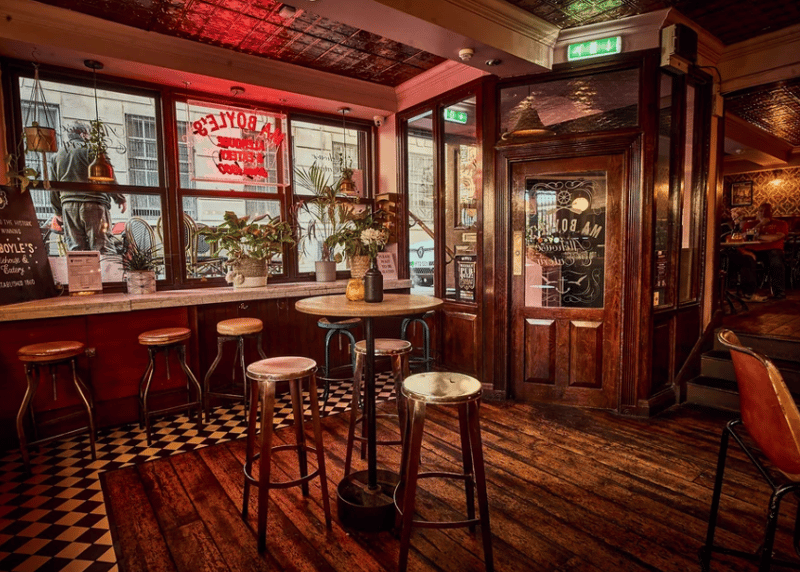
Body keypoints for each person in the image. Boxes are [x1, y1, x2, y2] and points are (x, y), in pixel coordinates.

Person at [49, 122, 126, 254]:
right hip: (93, 204)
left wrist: (57, 210)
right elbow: (109, 176)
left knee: (77, 251)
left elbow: (53, 186)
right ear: (83, 134)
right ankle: (105, 269)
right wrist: (120, 198)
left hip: (68, 206)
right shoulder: (92, 150)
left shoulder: (58, 155)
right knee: (102, 248)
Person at [737, 202, 788, 301]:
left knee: (776, 258)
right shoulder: (750, 224)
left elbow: (776, 237)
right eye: (761, 211)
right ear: (757, 212)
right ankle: (749, 294)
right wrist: (760, 224)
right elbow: (745, 237)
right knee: (747, 258)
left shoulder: (781, 223)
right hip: (753, 250)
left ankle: (779, 292)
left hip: (773, 250)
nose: (764, 213)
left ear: (772, 212)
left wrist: (759, 236)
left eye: (767, 211)